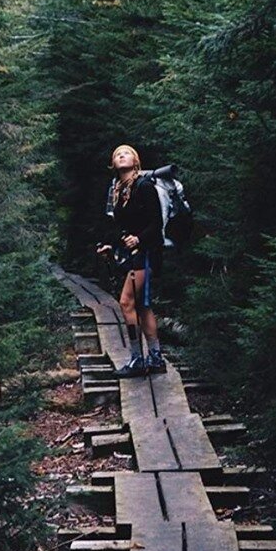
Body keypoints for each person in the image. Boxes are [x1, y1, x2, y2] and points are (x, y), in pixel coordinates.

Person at [96, 145, 167, 377]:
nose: (120, 156)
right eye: (116, 154)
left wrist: (138, 239)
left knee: (126, 302)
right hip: (134, 254)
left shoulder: (144, 186)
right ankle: (155, 359)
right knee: (143, 306)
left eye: (125, 153)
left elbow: (157, 223)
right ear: (113, 164)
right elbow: (121, 227)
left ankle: (138, 358)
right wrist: (113, 245)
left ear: (135, 160)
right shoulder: (117, 190)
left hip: (147, 253)